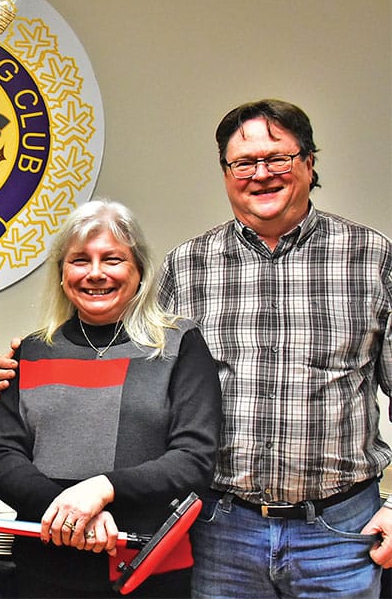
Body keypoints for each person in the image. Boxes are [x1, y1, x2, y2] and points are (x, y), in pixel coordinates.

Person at [157, 98, 392, 598]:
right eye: (244, 163)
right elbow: (144, 392)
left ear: (309, 162)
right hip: (220, 530)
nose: (261, 174)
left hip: (341, 533)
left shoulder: (371, 257)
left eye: (277, 158)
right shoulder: (187, 266)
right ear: (226, 173)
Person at [0, 199, 221, 598]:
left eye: (112, 259)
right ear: (62, 274)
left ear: (139, 270)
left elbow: (193, 459)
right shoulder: (32, 351)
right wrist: (69, 511)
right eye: (80, 260)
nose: (95, 273)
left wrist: (102, 489)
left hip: (147, 571)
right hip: (43, 571)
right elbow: (0, 455)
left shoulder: (180, 345)